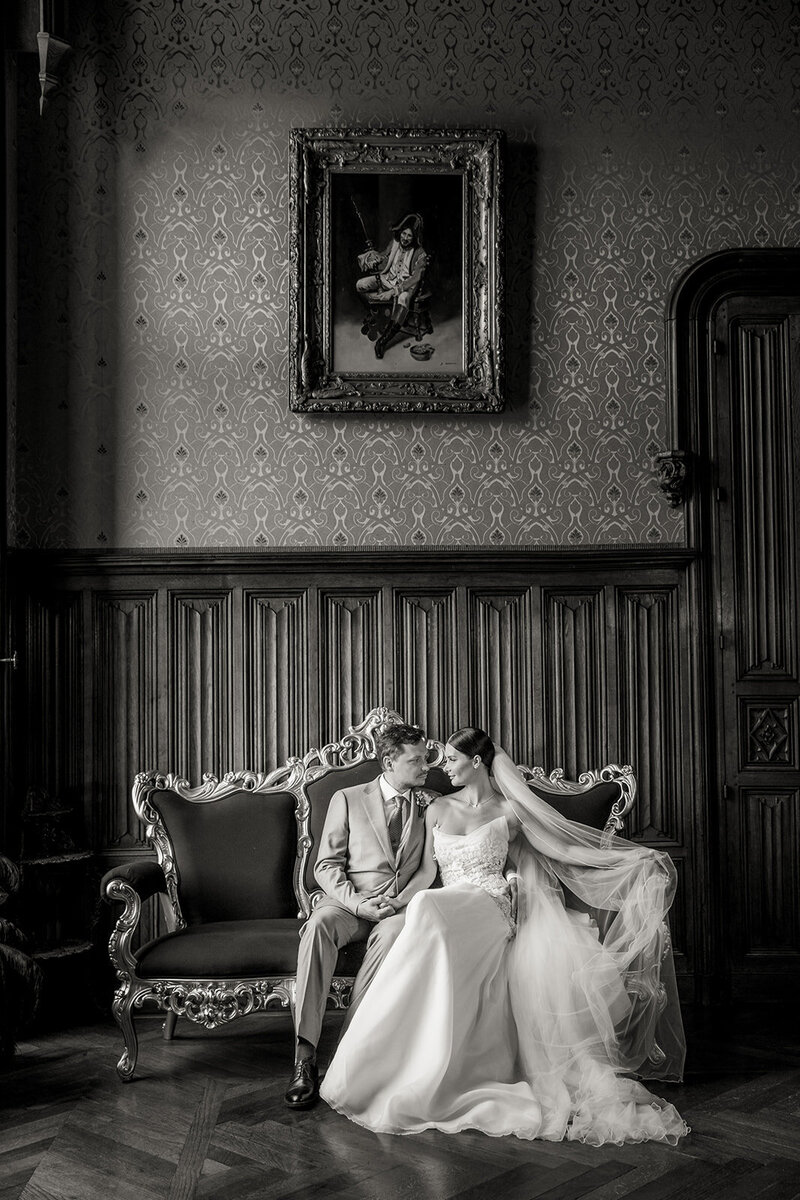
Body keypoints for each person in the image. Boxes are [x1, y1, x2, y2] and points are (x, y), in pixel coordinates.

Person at [320, 727, 690, 1145]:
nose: (443, 768)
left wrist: (629, 858)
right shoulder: (437, 808)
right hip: (447, 903)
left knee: (429, 912)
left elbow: (558, 851)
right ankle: (401, 1060)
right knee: (425, 909)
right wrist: (398, 901)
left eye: (452, 761)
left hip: (491, 904)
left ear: (476, 762)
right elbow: (427, 873)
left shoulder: (510, 812)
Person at [284, 722, 439, 1110]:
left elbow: (427, 869)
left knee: (394, 936)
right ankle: (304, 1056)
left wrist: (400, 902)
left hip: (398, 908)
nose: (427, 767)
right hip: (348, 905)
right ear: (389, 762)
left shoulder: (432, 804)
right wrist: (357, 904)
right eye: (417, 760)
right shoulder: (348, 798)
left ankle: (347, 1052)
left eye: (426, 758)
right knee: (318, 926)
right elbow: (326, 865)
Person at [356, 212, 429, 359]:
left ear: (414, 237)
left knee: (402, 299)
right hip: (387, 279)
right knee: (360, 285)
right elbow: (384, 257)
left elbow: (416, 277)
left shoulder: (420, 253)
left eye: (409, 236)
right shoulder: (394, 243)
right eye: (404, 234)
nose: (405, 238)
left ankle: (382, 342)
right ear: (400, 232)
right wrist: (374, 258)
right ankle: (375, 314)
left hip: (405, 287)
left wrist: (393, 291)